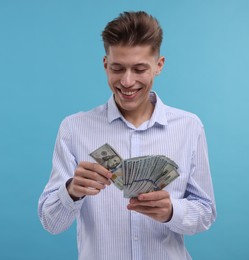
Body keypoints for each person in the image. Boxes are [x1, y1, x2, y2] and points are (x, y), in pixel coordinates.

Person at [38, 11, 216, 260]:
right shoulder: (73, 129)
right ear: (105, 65)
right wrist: (71, 191)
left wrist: (172, 211)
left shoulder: (189, 127)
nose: (127, 81)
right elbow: (51, 223)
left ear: (159, 65)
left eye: (140, 69)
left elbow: (205, 213)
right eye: (117, 68)